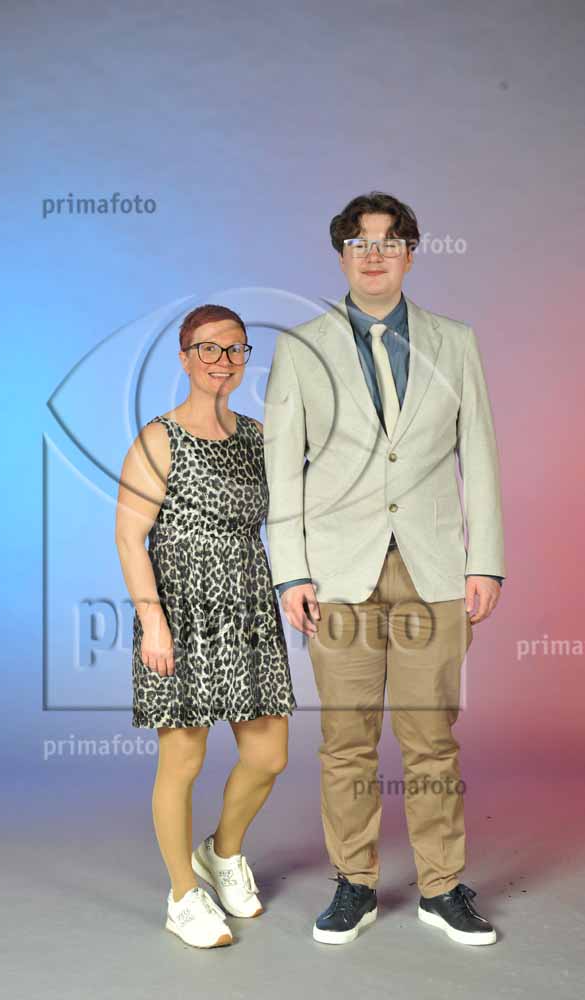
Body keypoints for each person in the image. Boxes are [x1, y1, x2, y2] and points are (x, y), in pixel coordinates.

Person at [263, 191, 505, 947]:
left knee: (432, 739)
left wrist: (486, 562)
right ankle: (355, 883)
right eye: (360, 243)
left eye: (390, 241)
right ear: (341, 255)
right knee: (346, 741)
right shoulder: (300, 349)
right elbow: (282, 468)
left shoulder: (454, 342)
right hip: (337, 575)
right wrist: (291, 572)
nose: (374, 255)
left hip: (435, 571)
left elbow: (480, 455)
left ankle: (441, 887)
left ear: (410, 253)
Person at [115, 303, 296, 949]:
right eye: (209, 349)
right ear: (186, 357)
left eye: (236, 349)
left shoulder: (258, 437)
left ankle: (221, 853)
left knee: (269, 755)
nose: (223, 361)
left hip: (248, 608)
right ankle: (182, 896)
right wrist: (152, 622)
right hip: (180, 612)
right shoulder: (159, 437)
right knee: (183, 759)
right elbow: (129, 538)